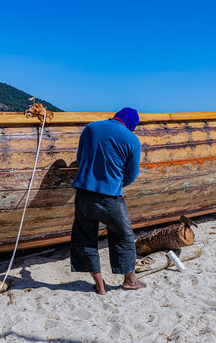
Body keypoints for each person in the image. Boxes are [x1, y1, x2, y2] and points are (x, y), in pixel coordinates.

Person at [70, 107, 147, 295]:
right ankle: (129, 280)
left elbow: (80, 158)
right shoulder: (132, 140)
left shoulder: (91, 128)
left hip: (83, 195)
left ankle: (100, 284)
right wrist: (117, 184)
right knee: (124, 236)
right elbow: (132, 174)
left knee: (85, 239)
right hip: (110, 198)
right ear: (131, 124)